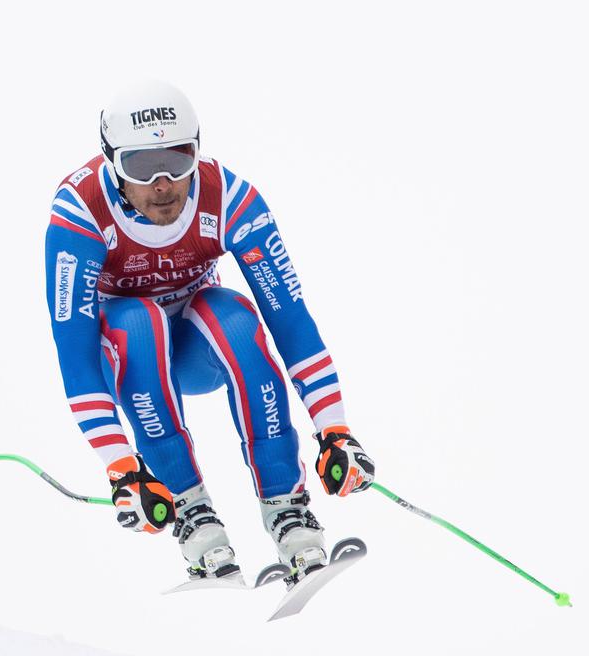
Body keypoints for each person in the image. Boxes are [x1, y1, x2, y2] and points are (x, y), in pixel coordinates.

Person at [45, 80, 375, 584]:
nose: (162, 183)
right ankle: (193, 518)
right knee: (138, 320)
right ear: (111, 162)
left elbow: (290, 317)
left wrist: (335, 429)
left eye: (178, 161)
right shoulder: (81, 210)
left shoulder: (229, 197)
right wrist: (120, 467)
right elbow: (74, 349)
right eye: (139, 166)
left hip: (201, 350)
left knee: (236, 317)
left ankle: (289, 512)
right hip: (129, 356)